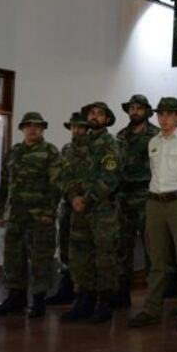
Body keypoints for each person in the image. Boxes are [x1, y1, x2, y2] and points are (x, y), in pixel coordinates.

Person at [129, 98, 177, 331]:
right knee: (156, 260)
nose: (163, 119)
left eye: (168, 114)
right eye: (160, 114)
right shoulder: (154, 142)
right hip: (155, 203)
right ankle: (152, 309)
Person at [0, 112, 63, 319]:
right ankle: (16, 297)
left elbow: (56, 185)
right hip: (15, 215)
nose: (33, 129)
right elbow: (4, 184)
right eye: (29, 126)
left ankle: (38, 300)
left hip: (39, 216)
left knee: (41, 258)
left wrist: (49, 212)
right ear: (22, 128)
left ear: (42, 129)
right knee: (13, 258)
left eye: (37, 126)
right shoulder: (14, 153)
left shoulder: (50, 152)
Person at [60, 101, 122, 324]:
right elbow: (66, 175)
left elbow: (110, 178)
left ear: (107, 119)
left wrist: (87, 199)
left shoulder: (111, 145)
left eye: (100, 114)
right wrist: (73, 197)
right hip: (78, 210)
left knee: (104, 256)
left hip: (102, 211)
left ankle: (104, 302)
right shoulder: (77, 146)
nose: (95, 116)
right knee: (79, 256)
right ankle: (83, 299)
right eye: (92, 113)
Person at [115, 94, 160, 308]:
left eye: (139, 108)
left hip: (146, 195)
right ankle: (122, 293)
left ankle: (154, 295)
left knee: (152, 247)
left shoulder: (156, 135)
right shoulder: (121, 136)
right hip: (124, 196)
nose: (135, 111)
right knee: (123, 247)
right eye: (132, 107)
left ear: (146, 111)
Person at [45, 111, 86, 306]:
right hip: (67, 205)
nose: (76, 130)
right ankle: (66, 286)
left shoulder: (92, 149)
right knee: (65, 246)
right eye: (73, 127)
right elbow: (60, 178)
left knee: (83, 248)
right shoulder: (66, 150)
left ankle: (83, 290)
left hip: (86, 206)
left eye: (80, 127)